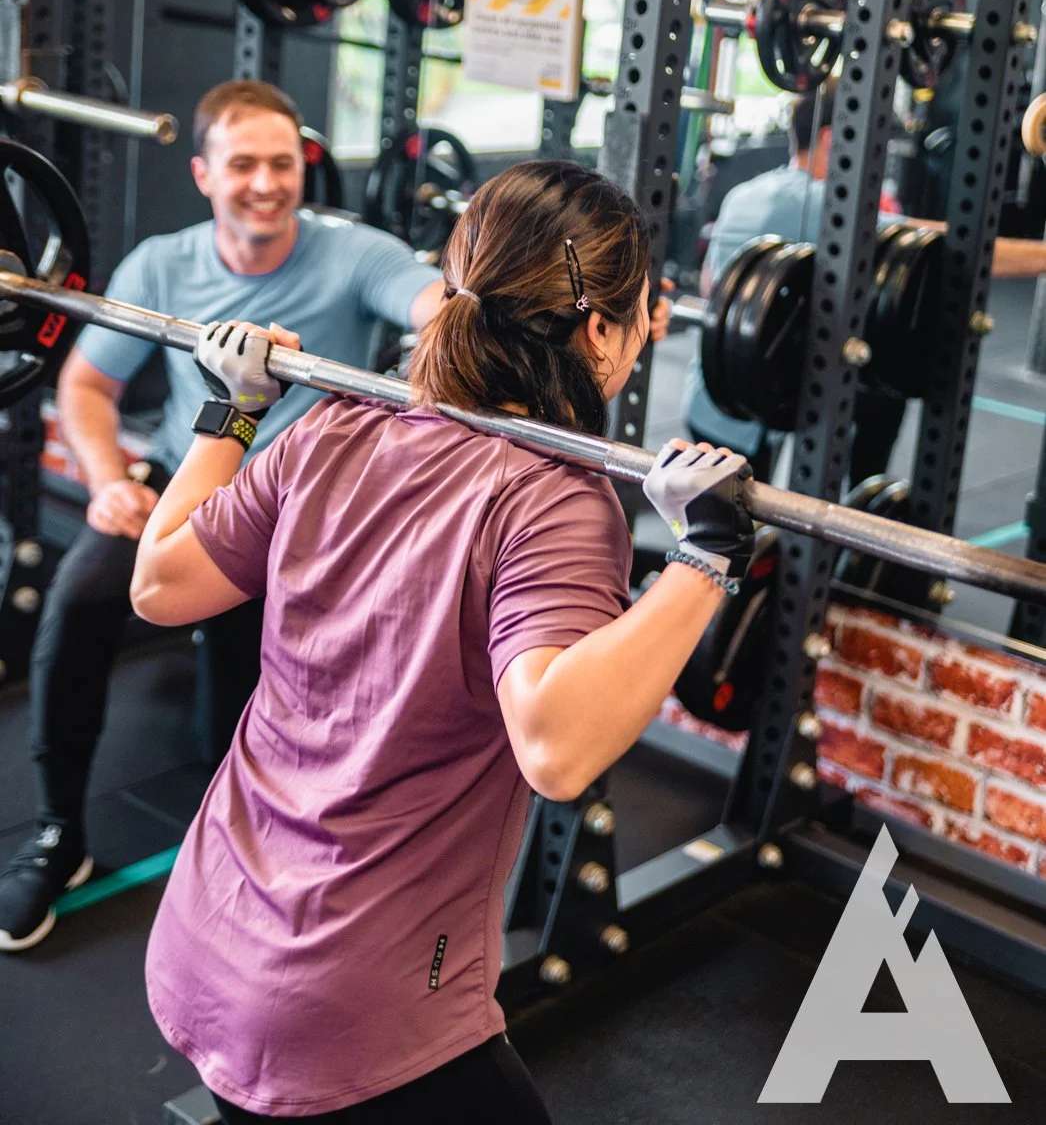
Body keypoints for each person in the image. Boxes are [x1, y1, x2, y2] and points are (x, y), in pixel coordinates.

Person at [127, 159, 755, 1123]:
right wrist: (704, 558)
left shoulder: (335, 424)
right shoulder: (553, 498)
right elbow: (556, 748)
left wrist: (231, 411)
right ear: (599, 330)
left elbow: (161, 583)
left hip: (208, 933)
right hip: (354, 1000)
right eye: (639, 316)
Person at [0, 79, 448, 954]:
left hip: (305, 505)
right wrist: (108, 480)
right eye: (243, 165)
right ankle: (58, 834)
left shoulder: (357, 253)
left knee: (240, 693)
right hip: (188, 479)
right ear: (204, 174)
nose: (266, 183)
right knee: (79, 601)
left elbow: (439, 309)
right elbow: (85, 384)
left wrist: (481, 318)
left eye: (283, 163)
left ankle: (236, 852)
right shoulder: (162, 265)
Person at [688, 78, 1046, 483]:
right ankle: (862, 498)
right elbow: (941, 247)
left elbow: (709, 286)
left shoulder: (745, 192)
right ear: (831, 139)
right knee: (881, 398)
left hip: (707, 398)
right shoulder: (823, 206)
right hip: (751, 410)